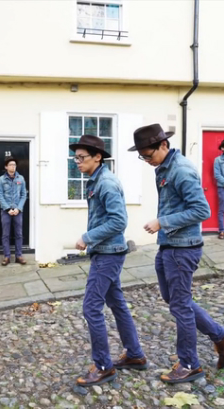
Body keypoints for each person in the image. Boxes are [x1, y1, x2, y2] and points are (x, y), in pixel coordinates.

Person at [130, 124, 224, 384]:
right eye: (142, 157)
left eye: (148, 155)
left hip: (183, 249)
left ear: (163, 145)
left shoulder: (181, 170)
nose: (147, 160)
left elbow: (202, 210)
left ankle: (190, 364)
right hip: (169, 245)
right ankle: (221, 336)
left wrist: (162, 222)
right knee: (174, 299)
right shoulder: (164, 168)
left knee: (180, 305)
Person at [69, 134, 148, 387]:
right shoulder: (96, 180)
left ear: (97, 157)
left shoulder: (106, 183)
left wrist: (87, 237)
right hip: (106, 251)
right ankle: (135, 354)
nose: (77, 162)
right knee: (117, 303)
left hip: (108, 254)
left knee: (91, 307)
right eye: (75, 158)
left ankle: (103, 366)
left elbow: (118, 221)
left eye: (81, 157)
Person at [0, 156, 28, 265]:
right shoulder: (1, 179)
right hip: (6, 211)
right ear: (6, 167)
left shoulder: (21, 179)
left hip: (18, 211)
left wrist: (18, 208)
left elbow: (23, 195)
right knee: (6, 234)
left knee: (19, 234)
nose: (13, 167)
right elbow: (0, 196)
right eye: (10, 165)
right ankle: (7, 256)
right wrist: (8, 209)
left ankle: (19, 256)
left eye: (14, 165)